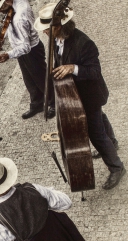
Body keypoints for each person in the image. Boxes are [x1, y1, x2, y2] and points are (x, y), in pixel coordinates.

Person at [34, 3, 125, 190]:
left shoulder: (84, 43)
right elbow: (59, 58)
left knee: (95, 133)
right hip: (76, 94)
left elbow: (94, 71)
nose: (44, 32)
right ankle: (113, 142)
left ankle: (117, 167)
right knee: (99, 119)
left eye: (46, 29)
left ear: (59, 26)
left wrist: (72, 68)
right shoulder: (56, 39)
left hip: (90, 95)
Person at [0, 0, 55, 119]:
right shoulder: (16, 3)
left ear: (7, 1)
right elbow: (9, 19)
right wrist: (5, 34)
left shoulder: (19, 19)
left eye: (0, 7)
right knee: (29, 79)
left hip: (31, 52)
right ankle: (37, 103)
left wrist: (8, 54)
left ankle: (54, 103)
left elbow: (25, 47)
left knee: (42, 79)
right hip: (23, 51)